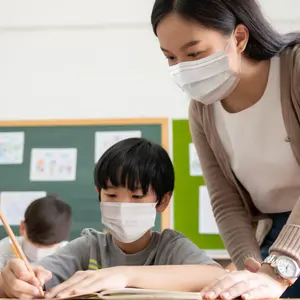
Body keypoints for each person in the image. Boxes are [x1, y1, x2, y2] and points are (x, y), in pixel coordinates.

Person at [151, 0, 300, 298]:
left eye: (194, 53)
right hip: (274, 235)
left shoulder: (294, 69)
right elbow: (225, 201)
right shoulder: (202, 111)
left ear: (239, 38)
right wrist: (250, 270)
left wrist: (281, 267)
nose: (183, 68)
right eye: (170, 57)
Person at [0, 138, 225, 299]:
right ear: (99, 194)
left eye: (137, 196)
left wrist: (124, 275)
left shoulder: (170, 248)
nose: (123, 206)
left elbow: (215, 275)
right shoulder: (89, 247)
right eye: (111, 195)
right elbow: (34, 278)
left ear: (163, 201)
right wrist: (12, 282)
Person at [0, 195, 72, 268]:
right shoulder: (5, 247)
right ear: (22, 227)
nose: (39, 250)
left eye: (49, 246)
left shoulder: (70, 256)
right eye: (34, 244)